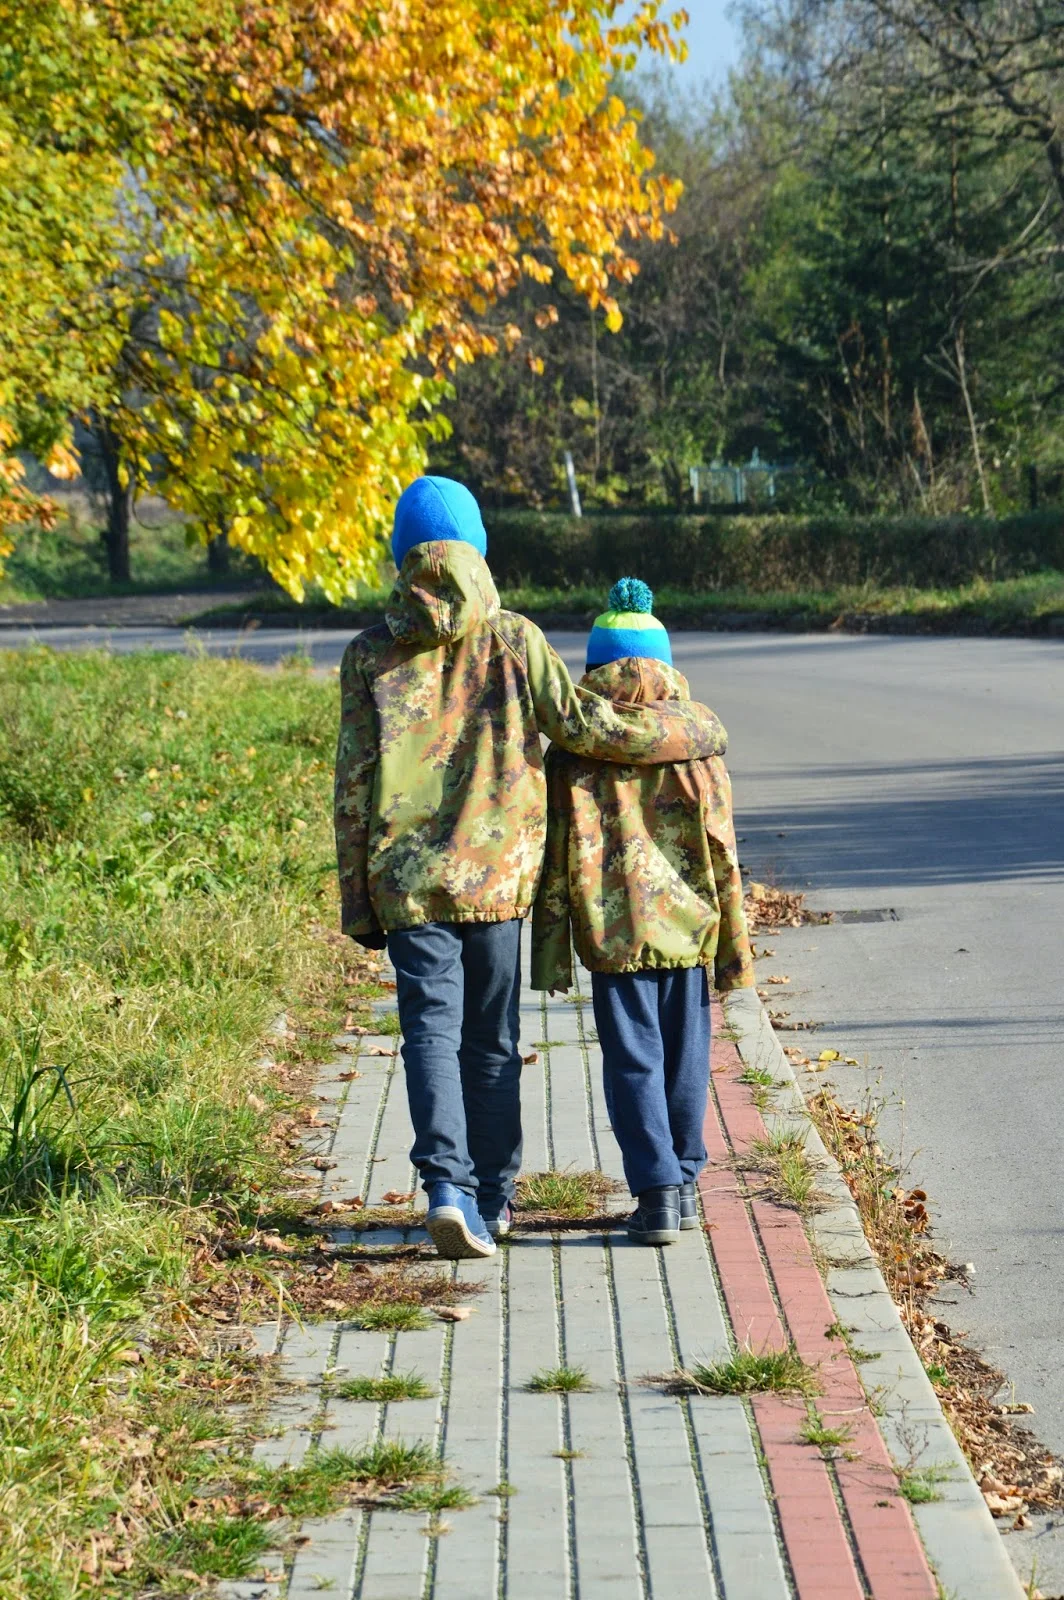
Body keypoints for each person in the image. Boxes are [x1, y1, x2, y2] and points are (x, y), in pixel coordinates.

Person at [334, 480, 729, 1260]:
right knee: (492, 1043)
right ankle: (494, 1197)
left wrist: (359, 903)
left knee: (427, 1035)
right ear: (479, 549)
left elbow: (352, 786)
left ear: (400, 554)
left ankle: (445, 1188)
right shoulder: (513, 639)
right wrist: (686, 730)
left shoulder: (368, 653)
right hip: (498, 878)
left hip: (407, 881)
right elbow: (584, 726)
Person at [531, 577, 755, 1245]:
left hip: (614, 931)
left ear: (596, 669)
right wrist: (733, 948)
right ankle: (685, 1184)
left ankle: (655, 1192)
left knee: (633, 1059)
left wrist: (548, 951)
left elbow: (556, 855)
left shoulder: (574, 749)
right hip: (689, 928)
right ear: (665, 663)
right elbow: (723, 850)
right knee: (688, 1056)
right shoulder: (700, 740)